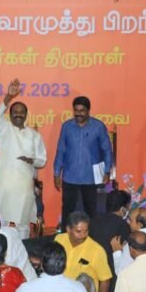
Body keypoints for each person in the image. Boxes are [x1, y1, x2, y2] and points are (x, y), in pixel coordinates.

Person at [0, 79, 47, 238]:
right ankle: (1, 248)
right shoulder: (5, 129)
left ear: (26, 115)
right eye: (15, 112)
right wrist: (8, 96)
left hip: (23, 185)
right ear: (10, 114)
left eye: (21, 112)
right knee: (0, 220)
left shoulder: (34, 135)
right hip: (4, 183)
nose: (18, 114)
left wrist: (32, 160)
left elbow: (42, 160)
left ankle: (22, 249)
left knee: (23, 223)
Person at [54, 96, 113, 227]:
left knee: (91, 212)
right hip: (70, 176)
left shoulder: (98, 126)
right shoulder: (67, 127)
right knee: (67, 211)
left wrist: (107, 171)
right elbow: (61, 150)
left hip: (90, 177)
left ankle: (91, 236)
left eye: (82, 110)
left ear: (88, 111)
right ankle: (65, 237)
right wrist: (57, 173)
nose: (78, 113)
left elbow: (107, 150)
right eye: (76, 110)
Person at [55, 211, 112, 292]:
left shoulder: (97, 250)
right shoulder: (59, 240)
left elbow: (105, 280)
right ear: (68, 230)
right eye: (79, 231)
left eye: (86, 231)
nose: (83, 235)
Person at [88, 190, 131, 283]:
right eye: (128, 207)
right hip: (112, 274)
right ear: (122, 208)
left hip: (92, 271)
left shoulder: (93, 221)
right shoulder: (123, 225)